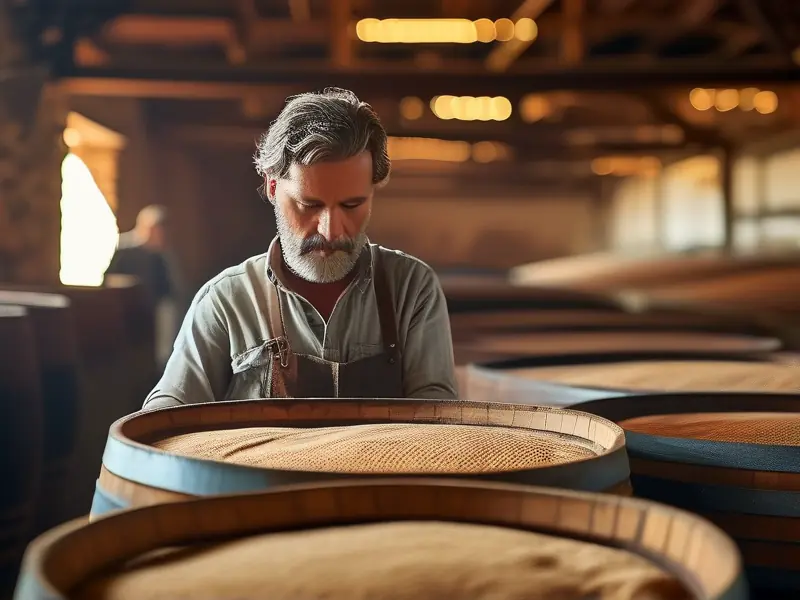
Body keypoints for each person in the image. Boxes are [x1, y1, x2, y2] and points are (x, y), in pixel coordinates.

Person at [143, 88, 457, 409]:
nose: (331, 230)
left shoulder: (411, 289)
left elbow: (437, 421)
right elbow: (168, 412)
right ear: (272, 186)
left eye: (352, 205)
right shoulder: (226, 302)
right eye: (310, 205)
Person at [106, 205, 181, 369]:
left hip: (155, 310)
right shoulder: (124, 249)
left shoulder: (159, 254)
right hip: (128, 312)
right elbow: (110, 279)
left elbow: (167, 287)